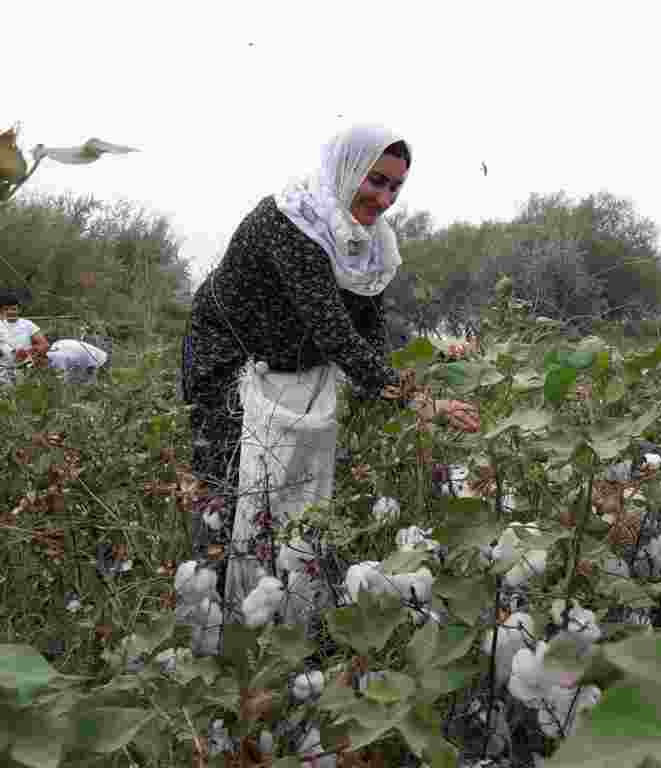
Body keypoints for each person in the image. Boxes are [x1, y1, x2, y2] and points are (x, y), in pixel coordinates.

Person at [181, 124, 479, 640]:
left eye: (396, 187)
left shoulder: (368, 245)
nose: (384, 199)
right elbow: (334, 331)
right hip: (230, 362)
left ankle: (289, 619)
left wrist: (404, 391)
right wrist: (419, 403)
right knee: (233, 493)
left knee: (295, 496)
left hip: (294, 370)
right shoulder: (290, 221)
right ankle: (215, 631)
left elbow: (369, 331)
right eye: (376, 180)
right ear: (347, 170)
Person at [0, 288, 49, 384]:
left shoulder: (27, 324)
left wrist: (29, 352)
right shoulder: (1, 324)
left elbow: (45, 345)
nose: (10, 312)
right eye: (6, 309)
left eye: (13, 309)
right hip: (3, 370)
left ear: (19, 309)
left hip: (26, 368)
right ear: (2, 310)